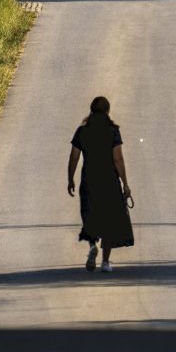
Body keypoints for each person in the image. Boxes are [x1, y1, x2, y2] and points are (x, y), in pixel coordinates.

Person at [67, 96, 134, 272]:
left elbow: (74, 157)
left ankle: (92, 246)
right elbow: (118, 158)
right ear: (107, 111)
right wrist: (125, 184)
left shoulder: (82, 131)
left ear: (91, 110)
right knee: (109, 220)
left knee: (90, 215)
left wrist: (70, 179)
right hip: (109, 181)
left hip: (89, 179)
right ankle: (105, 262)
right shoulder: (113, 131)